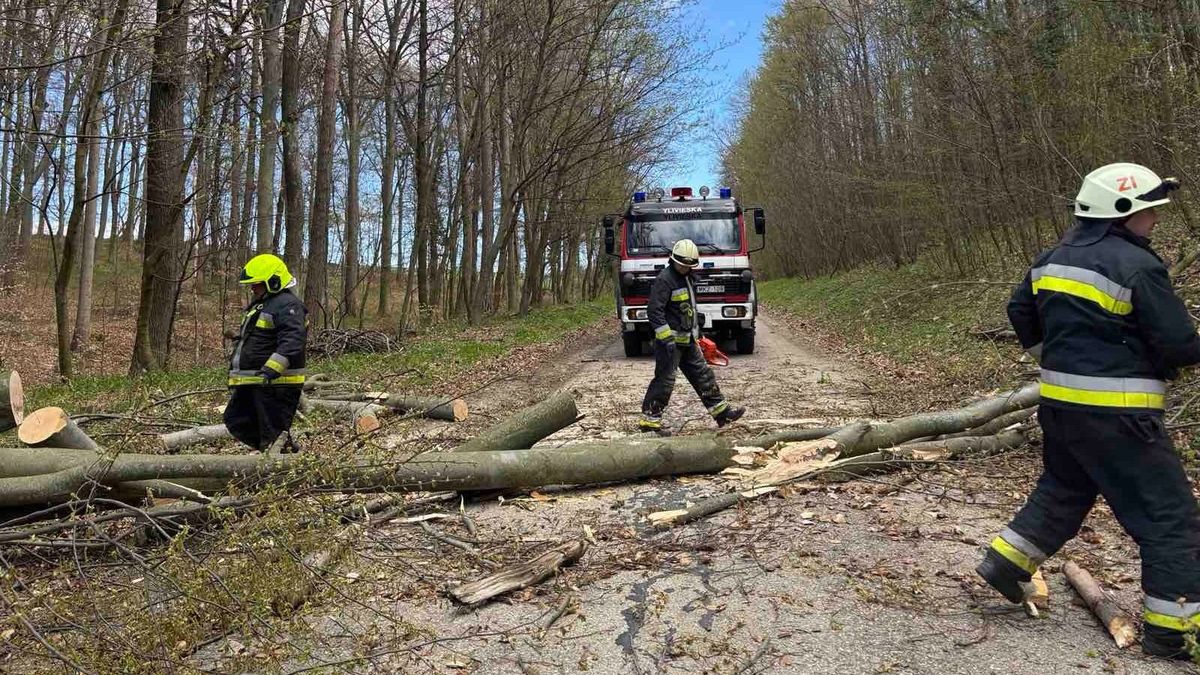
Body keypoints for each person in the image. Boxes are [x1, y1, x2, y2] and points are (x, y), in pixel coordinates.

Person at [976, 163, 1200, 659]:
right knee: (1169, 519)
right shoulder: (1137, 265)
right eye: (1149, 211)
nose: (1156, 220)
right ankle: (1175, 632)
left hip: (1061, 409)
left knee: (1064, 490)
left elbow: (1020, 312)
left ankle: (1006, 564)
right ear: (1121, 214)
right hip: (1122, 418)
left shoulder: (1052, 258)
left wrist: (1053, 359)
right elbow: (1180, 344)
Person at [639, 239, 745, 435]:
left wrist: (698, 333)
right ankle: (649, 424)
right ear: (674, 260)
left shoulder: (687, 278)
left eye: (689, 266)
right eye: (682, 265)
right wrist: (666, 338)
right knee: (664, 382)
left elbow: (688, 310)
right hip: (669, 344)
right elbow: (654, 311)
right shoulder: (665, 279)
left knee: (703, 375)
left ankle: (722, 414)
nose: (685, 268)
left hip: (687, 341)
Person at [224, 254, 308, 452]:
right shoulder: (264, 305)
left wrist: (271, 370)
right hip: (256, 380)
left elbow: (293, 340)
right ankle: (283, 453)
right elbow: (262, 338)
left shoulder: (288, 305)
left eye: (257, 284)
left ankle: (280, 466)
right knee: (236, 420)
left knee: (273, 434)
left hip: (276, 384)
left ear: (273, 282)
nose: (253, 289)